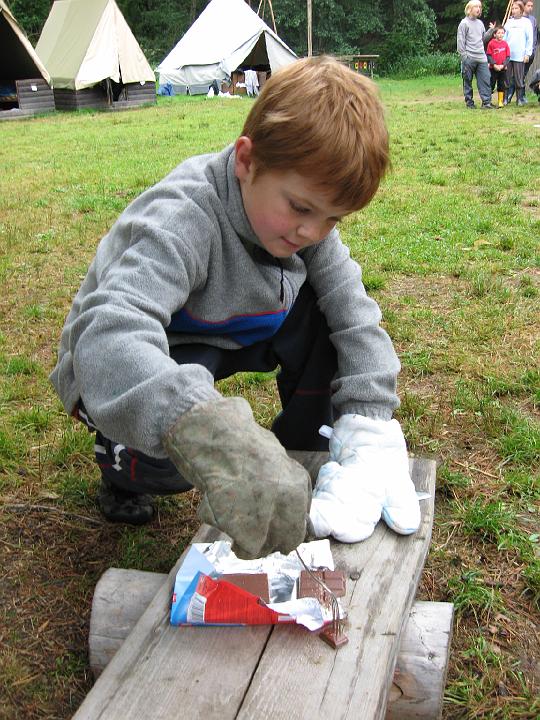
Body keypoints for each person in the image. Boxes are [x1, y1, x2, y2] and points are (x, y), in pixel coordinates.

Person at [50, 56, 421, 560]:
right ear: (246, 161)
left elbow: (355, 312)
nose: (313, 232)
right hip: (139, 356)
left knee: (328, 315)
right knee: (175, 460)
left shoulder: (301, 223)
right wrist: (207, 431)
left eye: (333, 218)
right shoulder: (182, 218)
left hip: (236, 326)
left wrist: (371, 422)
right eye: (301, 208)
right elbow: (110, 338)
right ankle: (123, 472)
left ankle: (306, 457)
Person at [457, 0, 496, 109]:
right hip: (469, 58)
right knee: (467, 81)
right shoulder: (464, 23)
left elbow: (482, 39)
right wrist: (465, 57)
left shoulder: (480, 23)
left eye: (480, 7)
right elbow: (460, 42)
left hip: (481, 58)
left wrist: (491, 31)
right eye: (476, 7)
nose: (479, 9)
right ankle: (469, 103)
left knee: (486, 79)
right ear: (469, 9)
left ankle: (486, 103)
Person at [504, 1, 533, 105]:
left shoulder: (526, 22)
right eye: (513, 9)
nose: (514, 11)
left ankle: (519, 98)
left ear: (521, 10)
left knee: (519, 77)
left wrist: (527, 54)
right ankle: (505, 98)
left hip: (520, 55)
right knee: (507, 77)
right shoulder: (509, 22)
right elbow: (504, 38)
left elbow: (530, 39)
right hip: (508, 55)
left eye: (516, 8)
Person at [486, 25, 511, 106]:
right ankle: (488, 101)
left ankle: (500, 101)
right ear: (494, 34)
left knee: (501, 85)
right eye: (499, 33)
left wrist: (503, 65)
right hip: (493, 69)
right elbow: (489, 55)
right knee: (491, 84)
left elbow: (508, 57)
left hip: (502, 69)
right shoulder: (491, 43)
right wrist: (494, 65)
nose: (500, 35)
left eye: (502, 33)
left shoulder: (505, 44)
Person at [523, 0, 538, 80]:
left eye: (532, 6)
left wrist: (533, 50)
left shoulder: (533, 19)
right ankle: (510, 92)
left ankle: (520, 92)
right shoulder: (518, 18)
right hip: (520, 52)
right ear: (524, 6)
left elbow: (535, 35)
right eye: (528, 6)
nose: (530, 8)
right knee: (517, 75)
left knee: (524, 74)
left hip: (530, 52)